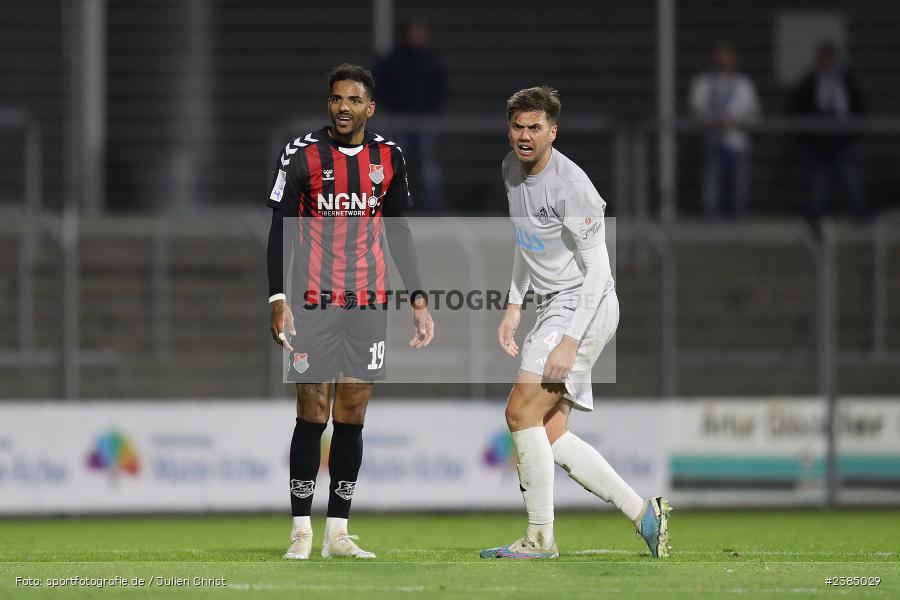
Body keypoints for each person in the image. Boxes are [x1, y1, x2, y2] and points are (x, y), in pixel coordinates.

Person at [480, 86, 670, 560]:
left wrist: (569, 342)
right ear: (509, 130)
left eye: (535, 127)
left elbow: (599, 273)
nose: (525, 136)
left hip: (583, 305)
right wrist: (514, 305)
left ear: (553, 132)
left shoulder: (573, 187)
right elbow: (527, 241)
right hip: (553, 306)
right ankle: (644, 514)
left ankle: (540, 540)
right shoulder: (510, 169)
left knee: (519, 412)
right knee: (549, 432)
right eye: (518, 127)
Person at [265, 63, 434, 560]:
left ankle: (337, 532)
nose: (343, 107)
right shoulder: (301, 154)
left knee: (352, 412)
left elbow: (398, 229)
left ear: (370, 108)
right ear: (329, 103)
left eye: (354, 100)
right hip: (313, 302)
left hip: (368, 302)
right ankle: (301, 530)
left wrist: (418, 297)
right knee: (311, 409)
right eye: (337, 98)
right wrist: (277, 298)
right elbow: (279, 228)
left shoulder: (389, 156)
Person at [788, 42, 869, 223]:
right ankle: (816, 220)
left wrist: (853, 133)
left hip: (841, 140)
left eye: (830, 59)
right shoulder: (810, 81)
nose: (827, 62)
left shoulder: (847, 80)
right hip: (818, 142)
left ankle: (862, 216)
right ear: (819, 60)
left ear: (836, 60)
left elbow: (860, 107)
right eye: (824, 59)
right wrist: (806, 136)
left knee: (850, 179)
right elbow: (796, 108)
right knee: (817, 183)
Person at [376, 18, 446, 211]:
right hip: (399, 120)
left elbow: (440, 88)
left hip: (425, 120)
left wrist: (431, 108)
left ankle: (432, 208)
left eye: (421, 32)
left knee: (428, 167)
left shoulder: (431, 60)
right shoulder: (393, 60)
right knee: (394, 165)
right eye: (415, 32)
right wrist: (392, 106)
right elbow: (381, 85)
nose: (418, 36)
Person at [689, 43, 760, 219]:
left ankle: (737, 220)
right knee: (711, 186)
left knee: (739, 186)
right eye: (720, 55)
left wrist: (735, 122)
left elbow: (753, 112)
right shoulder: (703, 82)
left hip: (737, 142)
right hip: (711, 141)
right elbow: (696, 108)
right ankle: (710, 221)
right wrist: (713, 122)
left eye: (727, 56)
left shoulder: (744, 83)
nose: (724, 60)